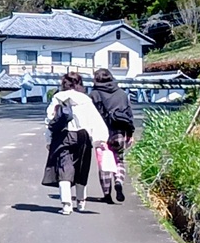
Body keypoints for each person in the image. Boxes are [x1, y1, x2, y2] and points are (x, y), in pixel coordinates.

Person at [42, 71, 109, 215]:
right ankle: (81, 202)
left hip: (63, 135)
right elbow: (95, 120)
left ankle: (66, 205)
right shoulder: (85, 99)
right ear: (79, 84)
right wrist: (101, 139)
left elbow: (50, 120)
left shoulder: (58, 98)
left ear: (63, 83)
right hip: (83, 136)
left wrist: (48, 140)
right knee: (81, 168)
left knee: (64, 168)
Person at [89, 68, 135, 204]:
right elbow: (129, 114)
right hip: (119, 131)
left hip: (101, 132)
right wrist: (130, 133)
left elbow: (90, 115)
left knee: (104, 163)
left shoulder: (94, 94)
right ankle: (119, 181)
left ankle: (107, 194)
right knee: (119, 159)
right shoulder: (121, 94)